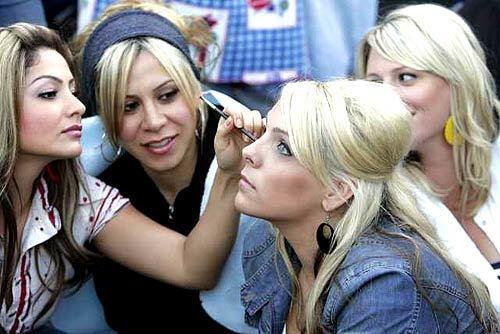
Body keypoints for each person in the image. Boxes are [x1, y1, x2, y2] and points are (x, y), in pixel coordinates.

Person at [0, 21, 260, 333]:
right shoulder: (102, 180)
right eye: (48, 93)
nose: (77, 107)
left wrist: (229, 173)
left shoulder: (78, 197)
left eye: (72, 91)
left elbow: (191, 266)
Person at [237, 79, 498, 333]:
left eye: (283, 148)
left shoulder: (385, 287)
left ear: (337, 190)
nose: (249, 152)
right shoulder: (269, 242)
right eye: (264, 130)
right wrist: (227, 174)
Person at [72, 1, 262, 332]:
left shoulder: (252, 158)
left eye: (167, 95)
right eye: (128, 106)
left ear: (194, 91)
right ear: (104, 115)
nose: (154, 121)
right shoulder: (100, 188)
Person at [356, 3, 500, 310]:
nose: (385, 95)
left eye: (406, 77)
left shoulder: (494, 164)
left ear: (458, 84)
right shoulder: (374, 202)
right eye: (374, 83)